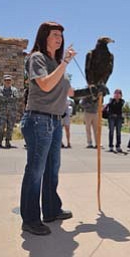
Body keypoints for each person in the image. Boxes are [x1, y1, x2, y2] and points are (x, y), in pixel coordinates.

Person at [20, 21, 77, 235]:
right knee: (35, 171)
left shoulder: (54, 62)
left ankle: (52, 210)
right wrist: (65, 64)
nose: (59, 38)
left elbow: (69, 92)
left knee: (52, 169)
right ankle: (30, 219)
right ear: (44, 37)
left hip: (54, 121)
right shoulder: (37, 58)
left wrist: (94, 90)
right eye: (55, 34)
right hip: (38, 121)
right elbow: (44, 84)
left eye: (61, 35)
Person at [0, 74, 20, 148]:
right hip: (2, 112)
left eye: (9, 80)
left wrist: (5, 99)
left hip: (12, 112)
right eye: (6, 80)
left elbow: (16, 98)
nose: (7, 81)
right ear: (3, 81)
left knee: (10, 127)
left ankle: (8, 141)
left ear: (11, 81)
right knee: (1, 127)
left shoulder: (14, 90)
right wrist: (10, 99)